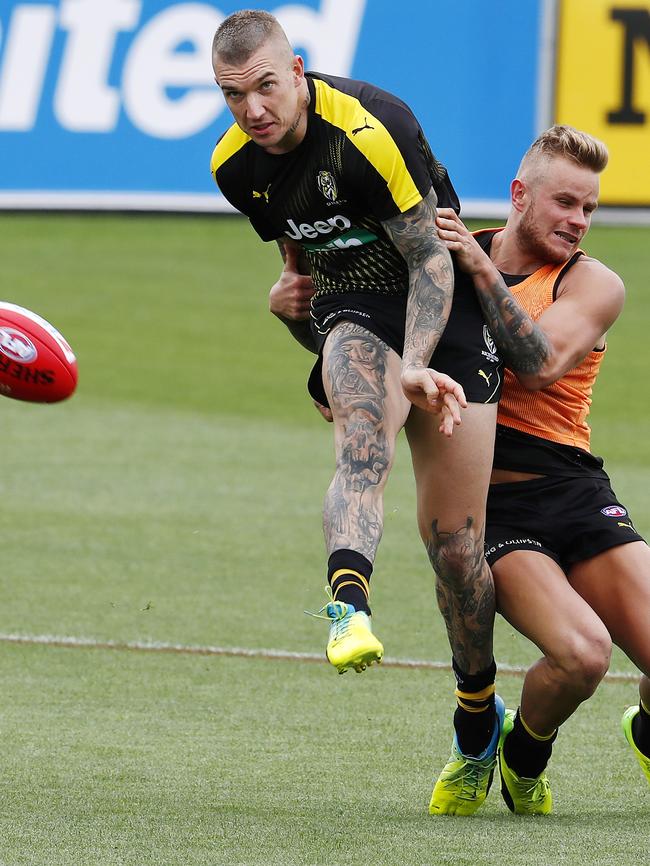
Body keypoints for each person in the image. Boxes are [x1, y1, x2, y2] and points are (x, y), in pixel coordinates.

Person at [210, 9, 505, 815]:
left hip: (440, 292)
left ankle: (478, 717)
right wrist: (293, 314)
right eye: (232, 95)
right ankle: (350, 605)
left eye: (266, 86)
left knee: (456, 547)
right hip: (356, 303)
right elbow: (302, 266)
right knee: (361, 448)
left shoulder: (374, 128)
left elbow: (428, 258)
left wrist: (415, 366)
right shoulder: (235, 168)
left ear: (298, 70)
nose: (253, 110)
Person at [434, 124, 650, 815]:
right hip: (500, 508)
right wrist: (298, 316)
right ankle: (512, 754)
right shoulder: (448, 262)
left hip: (578, 494)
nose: (579, 222)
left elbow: (537, 360)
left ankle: (600, 739)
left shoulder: (593, 283)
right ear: (520, 196)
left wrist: (477, 269)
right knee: (583, 656)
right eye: (565, 203)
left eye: (588, 208)